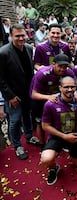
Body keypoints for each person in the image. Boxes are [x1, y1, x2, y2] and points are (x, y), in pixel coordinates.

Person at [40, 76, 77, 185]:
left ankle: (71, 150)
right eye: (66, 87)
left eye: (72, 87)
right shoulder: (50, 104)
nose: (70, 89)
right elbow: (45, 126)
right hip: (58, 136)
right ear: (60, 88)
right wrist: (64, 136)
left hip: (75, 135)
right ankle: (53, 168)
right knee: (46, 159)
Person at [0, 24, 40, 160]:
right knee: (15, 120)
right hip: (13, 94)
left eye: (23, 35)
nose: (21, 38)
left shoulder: (29, 48)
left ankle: (29, 136)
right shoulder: (3, 53)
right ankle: (17, 145)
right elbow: (1, 79)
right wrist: (10, 96)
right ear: (11, 36)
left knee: (27, 116)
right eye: (17, 36)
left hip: (27, 92)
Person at [30, 54, 77, 144]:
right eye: (60, 66)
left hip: (59, 97)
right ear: (53, 64)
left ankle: (62, 141)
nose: (62, 69)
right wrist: (49, 97)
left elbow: (76, 85)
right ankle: (42, 144)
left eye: (65, 66)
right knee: (40, 122)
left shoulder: (69, 72)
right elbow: (34, 94)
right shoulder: (42, 73)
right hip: (40, 97)